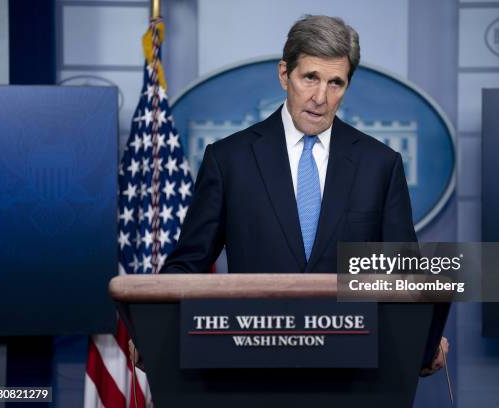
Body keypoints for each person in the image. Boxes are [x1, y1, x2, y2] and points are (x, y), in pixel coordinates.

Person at [159, 14, 448, 375]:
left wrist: (423, 334)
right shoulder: (228, 159)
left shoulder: (380, 164)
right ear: (284, 75)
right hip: (252, 369)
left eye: (335, 83)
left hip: (352, 373)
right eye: (310, 77)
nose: (320, 98)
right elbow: (188, 263)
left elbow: (401, 277)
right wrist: (153, 332)